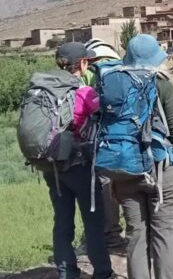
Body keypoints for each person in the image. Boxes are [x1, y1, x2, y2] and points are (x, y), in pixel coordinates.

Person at [111, 35, 173, 279]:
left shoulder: (113, 84)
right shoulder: (161, 83)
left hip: (125, 168)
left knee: (136, 236)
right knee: (163, 234)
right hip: (161, 168)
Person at [43, 42, 115, 279]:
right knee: (93, 221)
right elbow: (104, 114)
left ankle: (67, 273)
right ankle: (103, 272)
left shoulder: (45, 89)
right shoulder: (83, 92)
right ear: (82, 63)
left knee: (62, 221)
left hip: (52, 165)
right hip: (79, 165)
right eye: (87, 61)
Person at [81, 39, 127, 251]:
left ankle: (110, 235)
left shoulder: (89, 73)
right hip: (129, 139)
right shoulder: (126, 70)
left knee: (104, 186)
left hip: (101, 140)